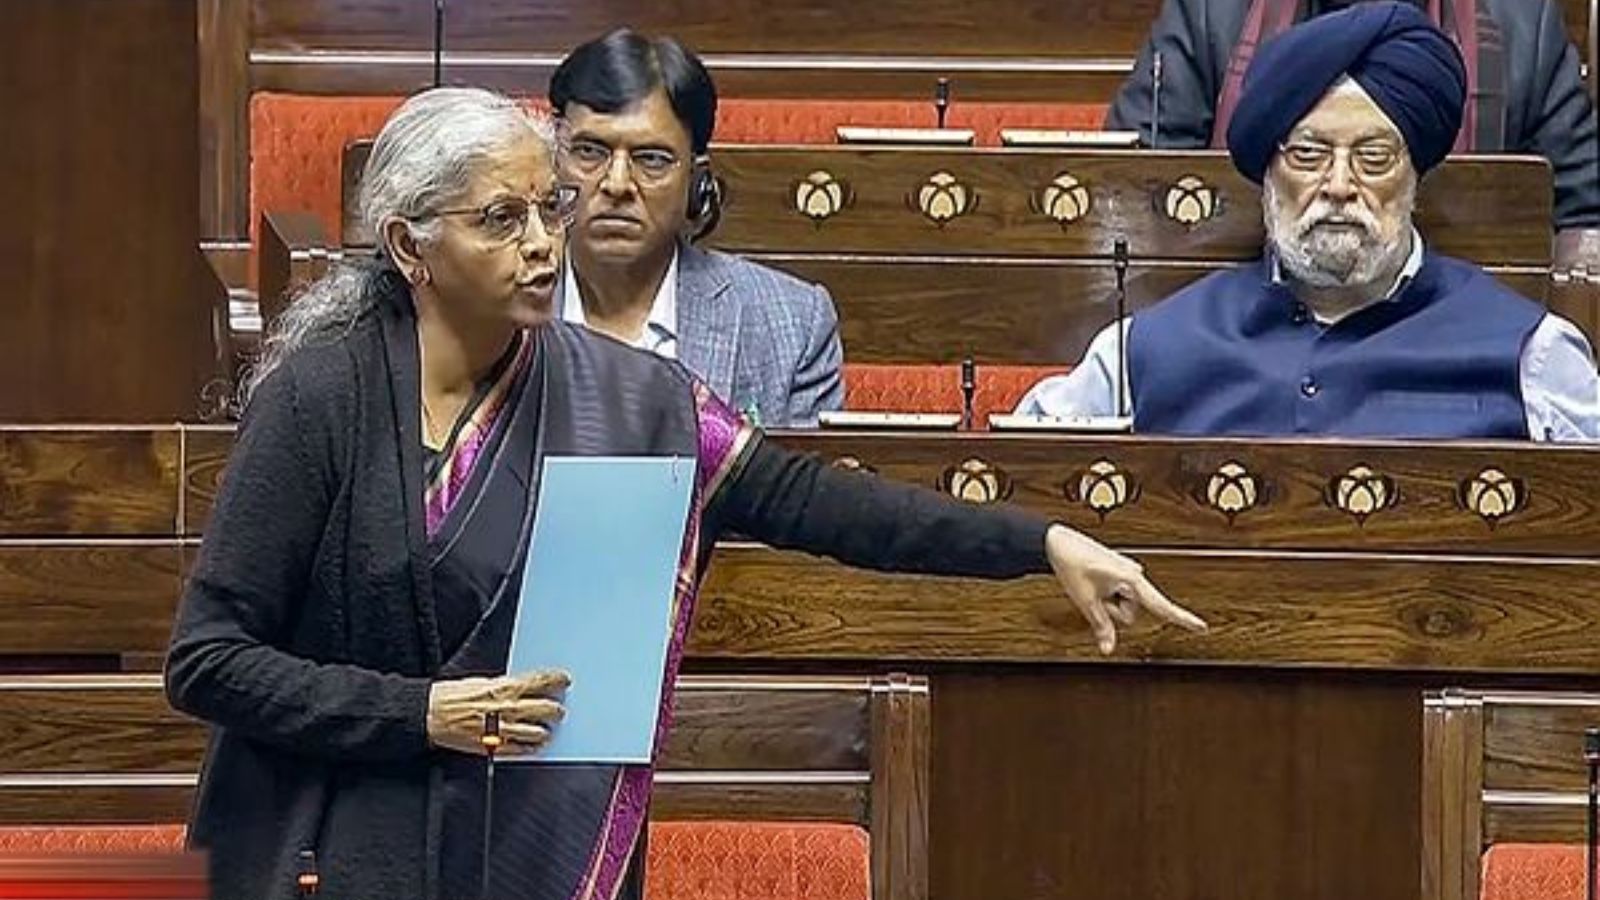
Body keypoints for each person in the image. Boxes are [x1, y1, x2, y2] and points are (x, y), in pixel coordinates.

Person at [164, 87, 1205, 900]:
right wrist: (420, 712)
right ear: (408, 246)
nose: (541, 243)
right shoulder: (320, 399)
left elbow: (822, 506)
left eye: (547, 209)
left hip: (536, 849)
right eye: (499, 218)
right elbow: (209, 661)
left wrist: (1042, 541)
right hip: (331, 847)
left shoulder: (632, 398)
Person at [1017, 2, 1600, 440]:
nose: (1340, 186)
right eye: (1307, 155)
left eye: (1374, 158)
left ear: (1416, 176)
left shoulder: (1532, 359)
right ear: (1267, 172)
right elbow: (1030, 489)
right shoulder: (1142, 353)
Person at [547, 29, 844, 427]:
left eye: (651, 159)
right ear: (553, 162)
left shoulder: (792, 324)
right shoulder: (492, 305)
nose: (616, 183)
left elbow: (802, 489)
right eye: (589, 151)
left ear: (697, 179)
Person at [1105, 0, 1600, 234]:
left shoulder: (1519, 22)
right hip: (1248, 318)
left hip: (1453, 332)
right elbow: (1131, 196)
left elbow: (1583, 213)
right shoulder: (1215, 11)